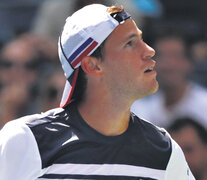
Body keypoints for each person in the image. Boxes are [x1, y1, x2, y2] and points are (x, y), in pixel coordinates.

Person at [0, 4, 195, 179]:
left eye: (142, 40)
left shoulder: (164, 149)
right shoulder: (25, 140)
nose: (149, 50)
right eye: (130, 43)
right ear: (93, 65)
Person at [131, 31, 207, 129]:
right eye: (161, 56)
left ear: (189, 62)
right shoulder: (138, 105)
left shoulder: (204, 104)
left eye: (176, 56)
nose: (169, 65)